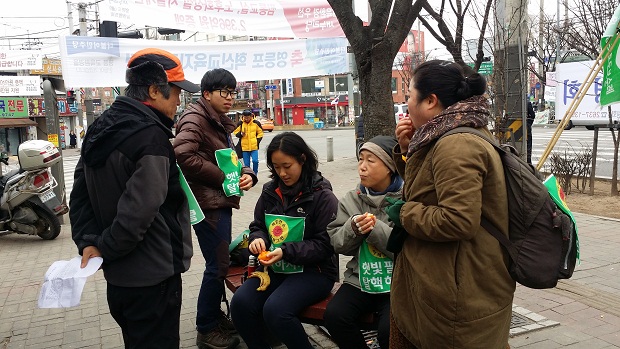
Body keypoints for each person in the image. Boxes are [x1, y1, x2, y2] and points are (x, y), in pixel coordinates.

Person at [69, 48, 198, 348]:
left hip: (119, 279)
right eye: (176, 92)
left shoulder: (101, 126)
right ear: (154, 91)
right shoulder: (150, 137)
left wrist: (89, 241)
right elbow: (139, 211)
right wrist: (105, 247)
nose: (179, 101)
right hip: (152, 277)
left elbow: (80, 193)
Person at [391, 60, 515, 348]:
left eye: (409, 95)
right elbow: (430, 189)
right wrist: (409, 150)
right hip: (454, 278)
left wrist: (404, 212)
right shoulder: (448, 133)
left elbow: (458, 219)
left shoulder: (455, 144)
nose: (406, 104)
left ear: (430, 101)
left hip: (458, 290)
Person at [230, 132, 339, 349]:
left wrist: (286, 251)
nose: (282, 173)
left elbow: (326, 245)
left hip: (314, 271)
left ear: (302, 159)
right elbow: (258, 225)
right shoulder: (271, 190)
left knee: (276, 310)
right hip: (276, 268)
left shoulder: (322, 196)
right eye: (276, 167)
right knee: (241, 303)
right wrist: (257, 240)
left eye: (287, 166)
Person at [173, 68, 258, 349]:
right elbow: (182, 154)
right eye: (225, 92)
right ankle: (207, 328)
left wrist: (247, 172)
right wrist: (224, 179)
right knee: (218, 265)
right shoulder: (196, 118)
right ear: (206, 93)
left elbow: (231, 156)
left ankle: (213, 318)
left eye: (233, 92)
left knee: (219, 263)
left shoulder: (217, 120)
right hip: (207, 203)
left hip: (218, 200)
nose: (230, 98)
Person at [324, 135, 403, 349]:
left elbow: (405, 252)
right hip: (360, 280)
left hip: (397, 284)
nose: (362, 167)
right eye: (360, 159)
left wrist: (375, 229)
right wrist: (352, 229)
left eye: (371, 160)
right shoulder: (352, 198)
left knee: (390, 331)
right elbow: (338, 245)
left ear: (390, 167)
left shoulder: (406, 200)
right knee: (334, 316)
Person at [234, 109, 263, 174]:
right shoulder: (240, 123)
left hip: (254, 147)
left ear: (251, 116)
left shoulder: (256, 123)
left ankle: (255, 173)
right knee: (247, 164)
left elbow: (260, 133)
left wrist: (257, 141)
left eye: (247, 117)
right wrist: (241, 134)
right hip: (244, 148)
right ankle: (249, 175)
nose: (246, 119)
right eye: (245, 117)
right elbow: (235, 132)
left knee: (255, 161)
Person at [527, 100, 536, 165]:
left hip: (513, 127)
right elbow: (532, 115)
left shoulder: (510, 102)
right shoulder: (527, 103)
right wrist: (529, 123)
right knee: (528, 145)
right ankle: (528, 161)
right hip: (526, 126)